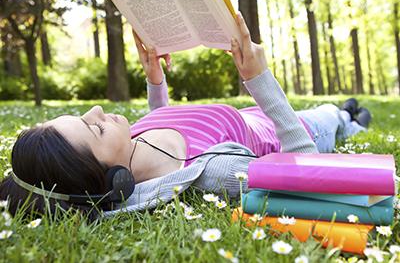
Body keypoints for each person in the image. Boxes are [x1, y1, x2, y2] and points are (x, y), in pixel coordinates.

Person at [0, 13, 371, 218]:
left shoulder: (131, 145)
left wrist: (155, 82)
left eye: (83, 114)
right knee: (330, 116)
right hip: (288, 124)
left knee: (333, 111)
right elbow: (311, 175)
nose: (97, 111)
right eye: (94, 129)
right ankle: (350, 119)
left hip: (250, 114)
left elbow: (162, 125)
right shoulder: (212, 173)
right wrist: (260, 81)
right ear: (116, 181)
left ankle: (347, 114)